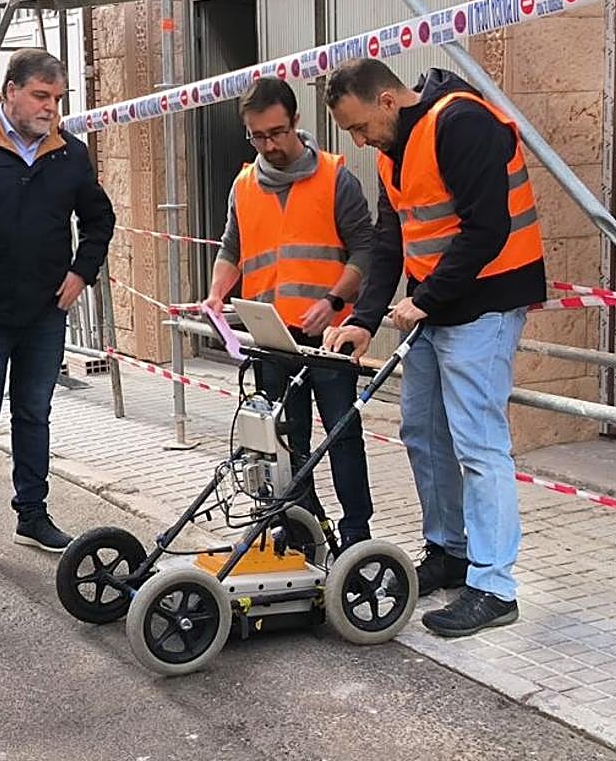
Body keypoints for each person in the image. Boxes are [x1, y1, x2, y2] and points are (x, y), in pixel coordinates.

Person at [322, 58, 546, 637]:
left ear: (388, 101)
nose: (359, 140)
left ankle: (494, 586)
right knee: (421, 430)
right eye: (351, 133)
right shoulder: (392, 150)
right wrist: (364, 318)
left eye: (359, 127)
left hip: (486, 306)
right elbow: (391, 237)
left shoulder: (462, 123)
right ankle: (448, 551)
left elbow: (487, 229)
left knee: (479, 445)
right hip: (436, 307)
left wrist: (426, 299)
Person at [0, 49, 116, 565]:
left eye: (57, 99)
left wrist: (81, 274)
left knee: (34, 415)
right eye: (40, 96)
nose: (51, 108)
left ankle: (33, 517)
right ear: (9, 91)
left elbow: (100, 219)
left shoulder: (68, 154)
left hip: (43, 316)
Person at [203, 78, 375, 549]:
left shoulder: (336, 178)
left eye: (277, 132)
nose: (269, 144)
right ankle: (303, 524)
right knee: (285, 436)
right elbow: (231, 248)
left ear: (296, 122)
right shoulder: (243, 185)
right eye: (258, 136)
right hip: (271, 336)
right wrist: (217, 293)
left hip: (330, 335)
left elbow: (366, 249)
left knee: (342, 434)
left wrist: (334, 301)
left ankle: (357, 534)